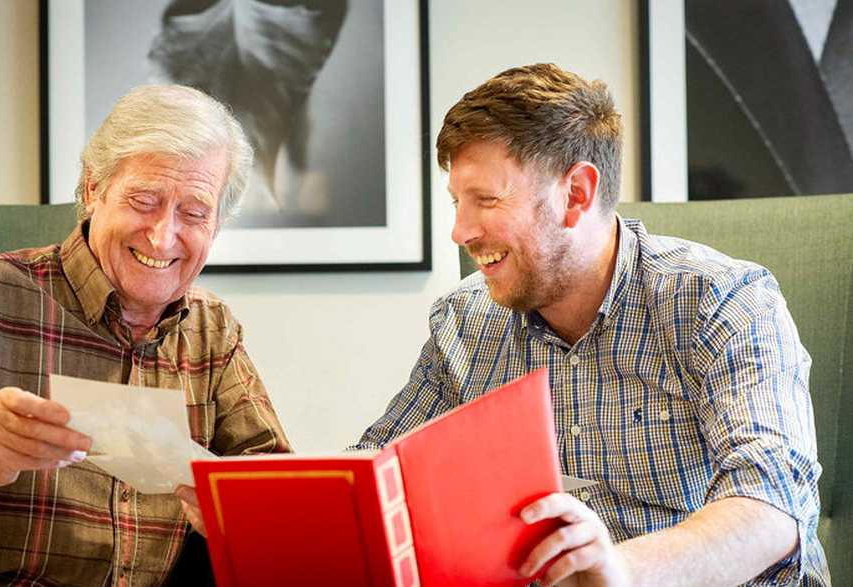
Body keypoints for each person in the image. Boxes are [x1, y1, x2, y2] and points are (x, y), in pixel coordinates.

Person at [352, 64, 828, 585]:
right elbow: (378, 475)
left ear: (576, 193)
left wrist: (617, 570)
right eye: (456, 202)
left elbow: (771, 501)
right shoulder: (464, 322)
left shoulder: (722, 300)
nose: (459, 231)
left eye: (486, 199)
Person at [0, 85, 290, 585]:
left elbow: (282, 501)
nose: (162, 235)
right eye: (144, 200)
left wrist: (242, 519)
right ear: (93, 189)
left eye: (194, 212)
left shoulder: (211, 331)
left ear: (216, 225)